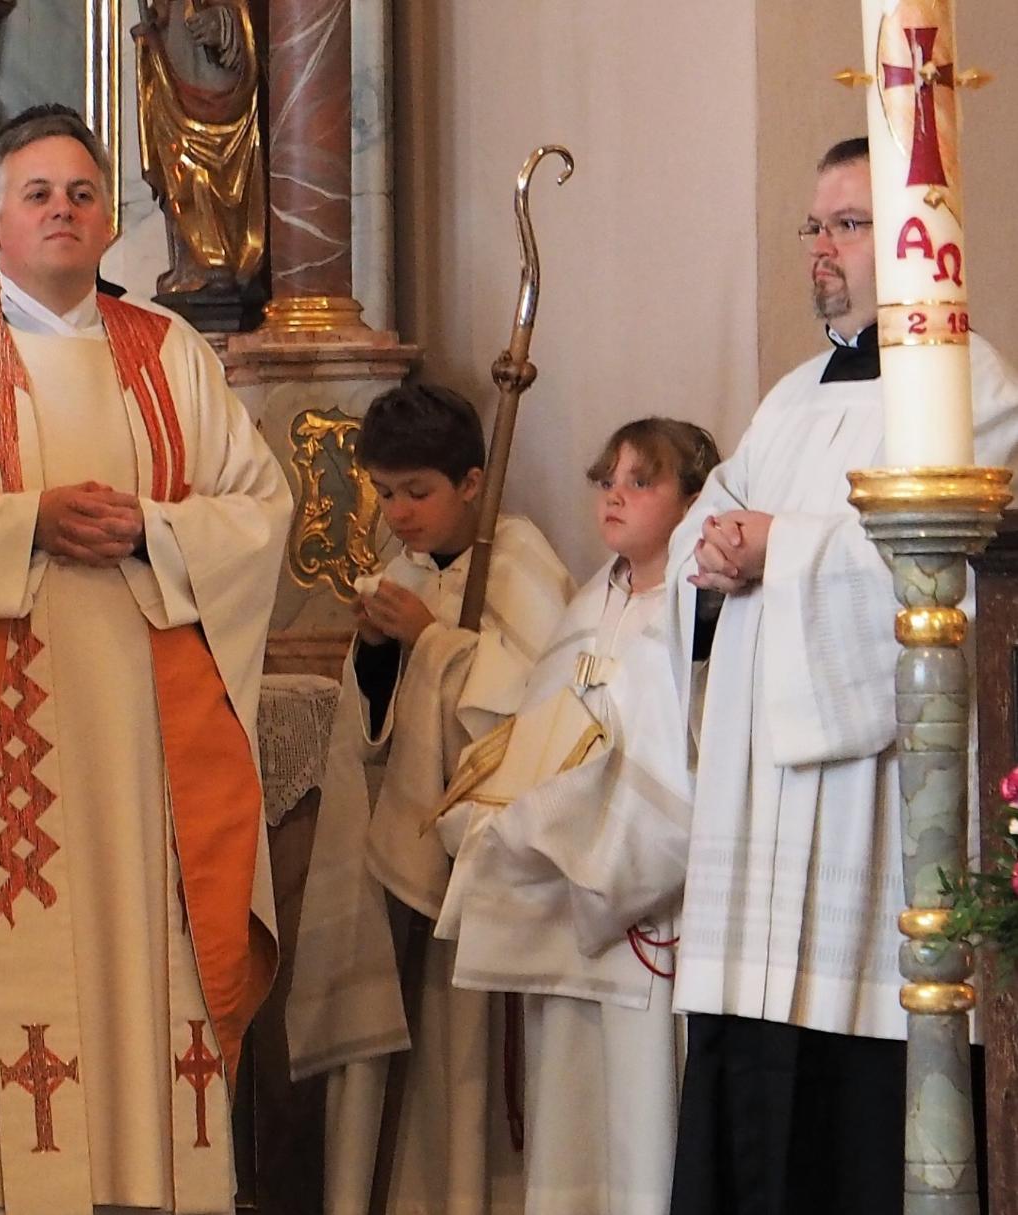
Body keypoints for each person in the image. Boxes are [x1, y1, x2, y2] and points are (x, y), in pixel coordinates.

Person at [0, 104, 289, 1214]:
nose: (63, 213)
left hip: (142, 733)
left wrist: (153, 532)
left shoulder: (165, 350)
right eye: (36, 194)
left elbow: (258, 509)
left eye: (81, 194)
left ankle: (144, 1177)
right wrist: (25, 524)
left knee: (146, 943)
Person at [666, 137, 1018, 1215]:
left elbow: (961, 575)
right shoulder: (785, 397)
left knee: (861, 1081)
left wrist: (789, 549)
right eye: (814, 226)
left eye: (849, 225)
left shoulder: (974, 386)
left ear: (916, 246)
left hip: (872, 813)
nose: (822, 248)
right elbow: (708, 527)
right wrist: (715, 560)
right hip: (759, 816)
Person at [285, 383, 572, 1215]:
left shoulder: (520, 563)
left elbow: (537, 713)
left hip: (482, 885)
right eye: (384, 491)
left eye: (418, 492)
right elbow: (373, 733)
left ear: (473, 483)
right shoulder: (401, 574)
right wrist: (377, 655)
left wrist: (432, 641)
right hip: (406, 882)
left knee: (468, 1072)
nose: (398, 513)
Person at [431, 417, 719, 1215]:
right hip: (564, 894)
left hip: (644, 898)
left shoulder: (706, 612)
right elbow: (537, 724)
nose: (613, 497)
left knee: (642, 1105)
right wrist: (522, 812)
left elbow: (691, 749)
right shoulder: (593, 598)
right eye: (606, 479)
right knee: (567, 1105)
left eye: (640, 480)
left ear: (696, 499)